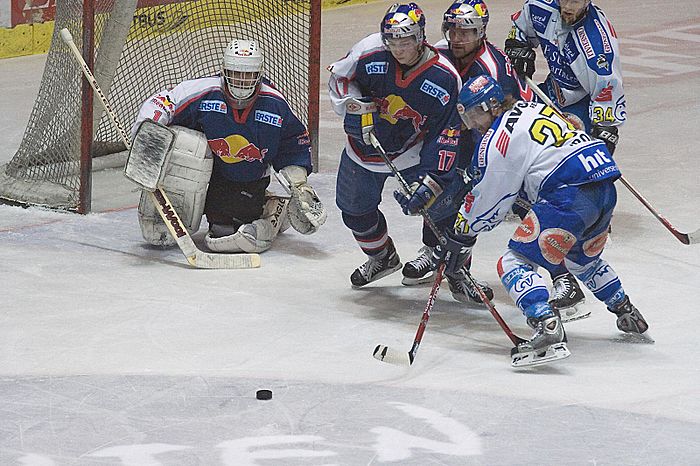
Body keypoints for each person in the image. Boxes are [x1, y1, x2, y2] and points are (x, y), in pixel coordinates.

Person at [434, 75, 649, 367]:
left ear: (492, 105)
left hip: (569, 195)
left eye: (475, 114)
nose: (474, 124)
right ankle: (625, 310)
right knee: (581, 261)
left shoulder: (499, 138)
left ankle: (546, 326)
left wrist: (462, 233)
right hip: (604, 188)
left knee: (513, 262)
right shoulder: (533, 107)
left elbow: (490, 200)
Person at [328, 2, 486, 298]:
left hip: (411, 150)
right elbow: (340, 78)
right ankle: (382, 257)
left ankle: (458, 274)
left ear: (421, 37)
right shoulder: (370, 51)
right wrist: (352, 107)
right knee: (354, 211)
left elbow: (446, 133)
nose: (397, 49)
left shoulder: (444, 77)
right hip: (362, 148)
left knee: (443, 208)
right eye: (392, 41)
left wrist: (432, 180)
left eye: (405, 41)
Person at [131, 39, 326, 253]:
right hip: (204, 172)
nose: (242, 81)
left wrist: (299, 185)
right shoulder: (204, 91)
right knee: (186, 146)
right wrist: (147, 136)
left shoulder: (275, 105)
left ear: (259, 75)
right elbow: (164, 101)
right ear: (224, 71)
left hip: (245, 178)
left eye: (248, 74)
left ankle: (271, 208)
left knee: (224, 229)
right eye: (236, 73)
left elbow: (293, 144)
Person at [401, 0, 533, 300]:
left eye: (467, 33)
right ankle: (434, 251)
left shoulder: (491, 68)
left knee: (468, 200)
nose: (457, 39)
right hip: (461, 129)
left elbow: (499, 123)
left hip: (499, 138)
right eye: (452, 31)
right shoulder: (441, 51)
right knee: (436, 184)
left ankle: (459, 270)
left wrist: (477, 165)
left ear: (482, 32)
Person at [503, 0, 626, 318]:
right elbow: (520, 27)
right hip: (550, 95)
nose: (569, 7)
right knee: (526, 171)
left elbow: (606, 93)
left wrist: (603, 134)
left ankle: (570, 257)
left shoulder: (598, 41)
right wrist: (518, 46)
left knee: (569, 184)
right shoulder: (540, 6)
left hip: (583, 108)